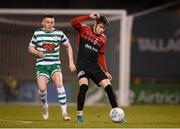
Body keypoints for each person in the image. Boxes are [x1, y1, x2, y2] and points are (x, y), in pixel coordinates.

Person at [71, 12, 127, 123]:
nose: (102, 30)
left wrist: (105, 71)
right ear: (95, 24)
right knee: (84, 87)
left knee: (109, 88)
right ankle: (79, 116)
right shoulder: (84, 29)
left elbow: (101, 55)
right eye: (101, 27)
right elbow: (73, 23)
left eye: (104, 28)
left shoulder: (103, 38)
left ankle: (117, 115)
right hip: (82, 66)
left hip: (94, 67)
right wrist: (88, 16)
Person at [28, 14, 76, 121]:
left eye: (52, 22)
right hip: (42, 66)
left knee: (59, 84)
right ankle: (45, 106)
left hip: (54, 64)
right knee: (42, 89)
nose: (50, 24)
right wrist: (37, 52)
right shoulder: (37, 33)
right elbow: (30, 47)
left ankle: (64, 112)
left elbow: (68, 46)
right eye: (48, 22)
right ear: (43, 23)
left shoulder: (59, 33)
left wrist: (71, 62)